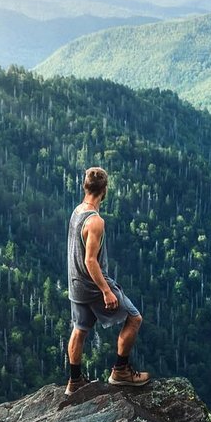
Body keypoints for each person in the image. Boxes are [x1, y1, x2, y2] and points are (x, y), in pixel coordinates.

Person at [65, 166, 151, 395]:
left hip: (76, 285)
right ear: (104, 190)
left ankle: (74, 382)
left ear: (85, 187)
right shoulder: (95, 222)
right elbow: (90, 261)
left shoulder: (77, 211)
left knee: (80, 329)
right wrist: (106, 291)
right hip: (93, 285)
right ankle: (120, 371)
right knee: (134, 318)